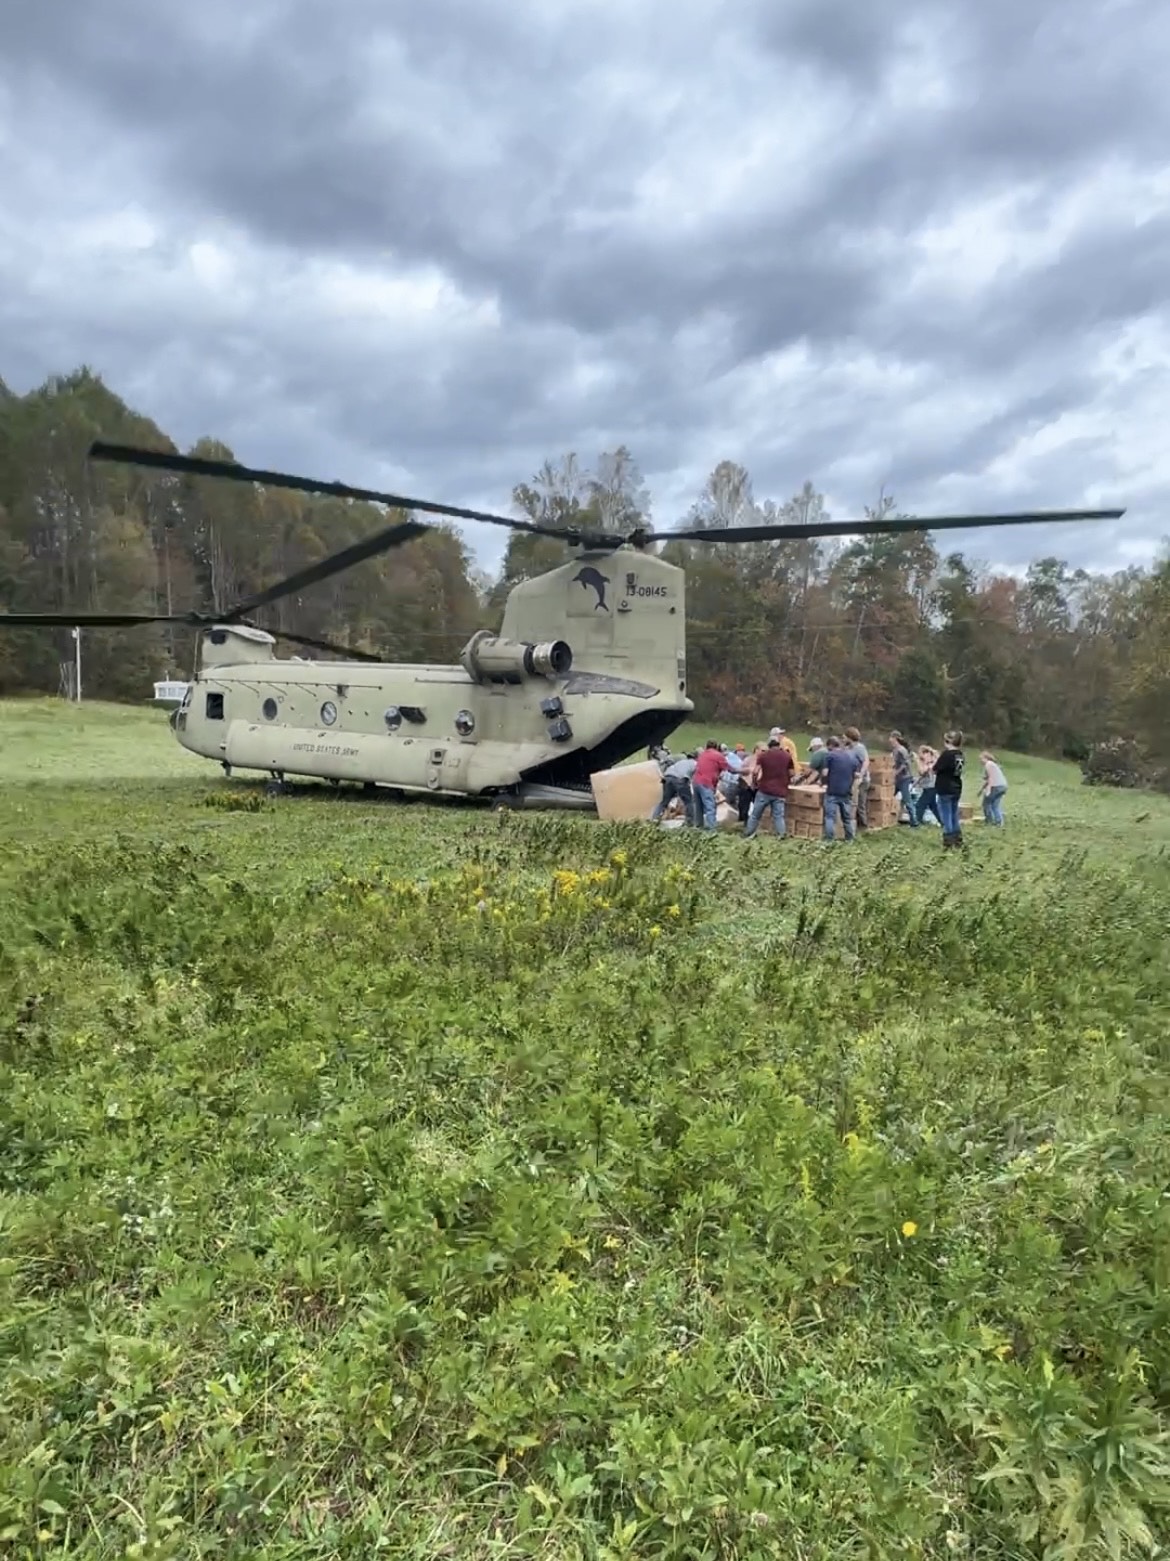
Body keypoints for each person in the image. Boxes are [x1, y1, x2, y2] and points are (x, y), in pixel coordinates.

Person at [809, 734, 861, 841]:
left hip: (833, 791)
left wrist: (823, 783)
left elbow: (825, 773)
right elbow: (856, 774)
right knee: (846, 818)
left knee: (830, 818)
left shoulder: (830, 756)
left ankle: (829, 840)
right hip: (846, 792)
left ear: (830, 746)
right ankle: (850, 839)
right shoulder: (850, 756)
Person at [743, 738, 795, 838]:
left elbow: (755, 772)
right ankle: (781, 835)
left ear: (769, 746)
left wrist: (754, 783)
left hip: (764, 790)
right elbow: (792, 773)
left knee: (755, 815)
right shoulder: (787, 756)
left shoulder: (763, 756)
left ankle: (748, 833)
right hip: (780, 791)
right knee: (778, 816)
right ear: (778, 745)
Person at [933, 729, 965, 848]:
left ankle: (948, 841)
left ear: (949, 741)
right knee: (953, 814)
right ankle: (958, 840)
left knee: (946, 815)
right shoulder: (960, 754)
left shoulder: (947, 754)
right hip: (956, 786)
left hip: (945, 786)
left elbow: (936, 768)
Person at [651, 750, 697, 825]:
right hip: (679, 779)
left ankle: (654, 818)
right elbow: (693, 779)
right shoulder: (695, 763)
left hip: (667, 777)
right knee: (689, 801)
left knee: (664, 801)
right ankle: (690, 821)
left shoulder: (681, 762)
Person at [692, 739, 728, 831]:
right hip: (706, 783)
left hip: (696, 782)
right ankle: (712, 830)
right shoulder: (718, 756)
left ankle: (698, 827)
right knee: (710, 807)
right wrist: (743, 771)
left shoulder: (702, 755)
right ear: (716, 747)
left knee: (698, 807)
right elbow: (729, 768)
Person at [889, 731, 918, 827]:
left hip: (904, 778)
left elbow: (906, 763)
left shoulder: (902, 750)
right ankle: (890, 818)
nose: (889, 740)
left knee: (907, 799)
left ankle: (914, 822)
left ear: (895, 738)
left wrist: (896, 772)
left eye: (891, 738)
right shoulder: (894, 750)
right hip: (897, 779)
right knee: (888, 796)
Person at [844, 726, 870, 829]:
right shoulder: (848, 748)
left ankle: (864, 826)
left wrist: (861, 774)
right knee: (853, 802)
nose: (843, 739)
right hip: (853, 779)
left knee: (860, 803)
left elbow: (866, 761)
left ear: (850, 737)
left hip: (862, 780)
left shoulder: (859, 748)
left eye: (845, 737)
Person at [914, 744, 941, 825]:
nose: (920, 756)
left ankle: (917, 821)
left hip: (931, 787)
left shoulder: (931, 761)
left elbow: (923, 771)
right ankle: (943, 821)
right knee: (933, 806)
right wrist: (916, 782)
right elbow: (922, 775)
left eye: (921, 753)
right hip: (929, 786)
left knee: (920, 804)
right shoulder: (927, 761)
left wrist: (917, 760)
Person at [979, 751, 1008, 825]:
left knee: (986, 804)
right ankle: (999, 822)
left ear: (986, 758)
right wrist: (981, 790)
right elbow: (988, 779)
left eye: (981, 758)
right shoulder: (993, 765)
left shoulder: (988, 764)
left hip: (996, 787)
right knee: (995, 805)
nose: (980, 761)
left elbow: (991, 778)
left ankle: (989, 821)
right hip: (1003, 786)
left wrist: (988, 790)